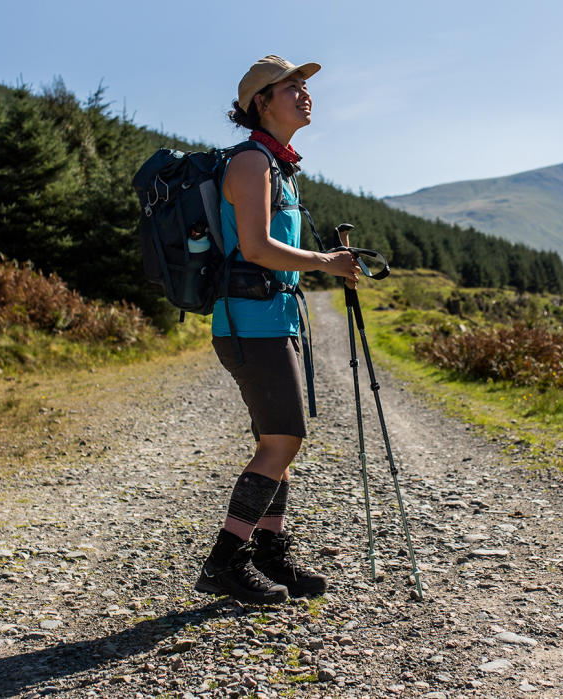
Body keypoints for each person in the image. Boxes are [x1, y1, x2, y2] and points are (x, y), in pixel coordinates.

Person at [194, 55, 361, 604]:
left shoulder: (276, 164)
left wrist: (322, 261)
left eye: (304, 86)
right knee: (284, 439)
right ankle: (226, 560)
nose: (303, 93)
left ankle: (270, 553)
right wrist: (325, 261)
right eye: (290, 87)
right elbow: (257, 247)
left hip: (272, 317)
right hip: (251, 322)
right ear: (260, 103)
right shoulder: (249, 163)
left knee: (276, 443)